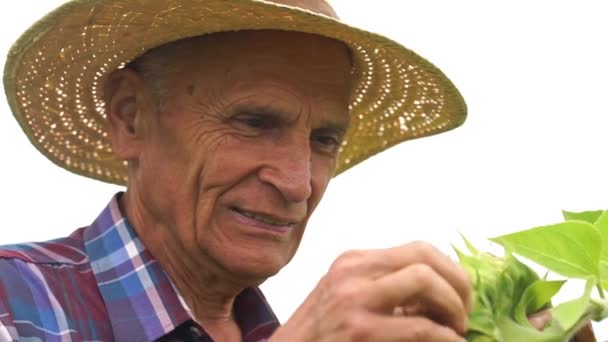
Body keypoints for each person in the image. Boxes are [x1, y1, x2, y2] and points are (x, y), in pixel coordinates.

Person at [0, 0, 593, 341]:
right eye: (253, 122)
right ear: (130, 120)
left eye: (325, 138)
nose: (297, 181)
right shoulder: (18, 305)